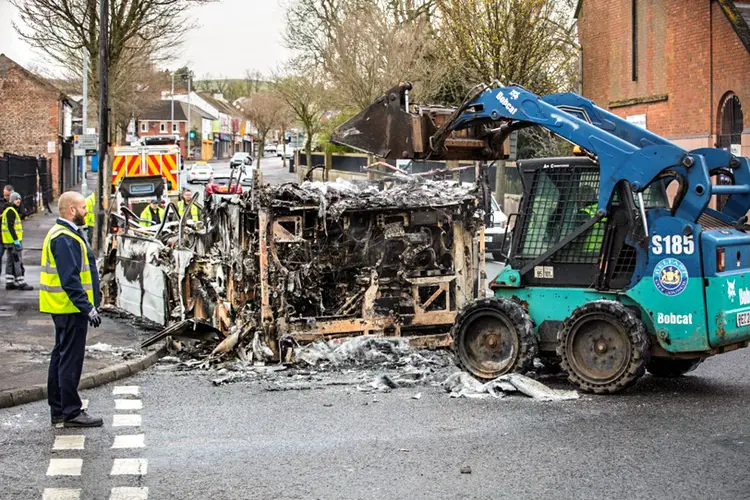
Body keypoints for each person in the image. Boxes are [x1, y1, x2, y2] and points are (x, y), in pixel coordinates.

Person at [41, 191, 102, 428]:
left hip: (64, 308)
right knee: (70, 360)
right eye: (83, 208)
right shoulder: (65, 238)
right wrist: (88, 307)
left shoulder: (62, 234)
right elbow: (70, 280)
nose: (87, 212)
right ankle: (71, 411)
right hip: (71, 309)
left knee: (60, 356)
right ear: (72, 211)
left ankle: (59, 409)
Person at [2, 192, 33, 290]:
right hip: (13, 241)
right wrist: (16, 240)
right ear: (12, 200)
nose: (18, 201)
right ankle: (21, 282)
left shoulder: (8, 210)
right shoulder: (11, 211)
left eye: (19, 199)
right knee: (17, 260)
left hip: (8, 241)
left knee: (10, 260)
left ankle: (9, 281)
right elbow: (11, 227)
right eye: (16, 199)